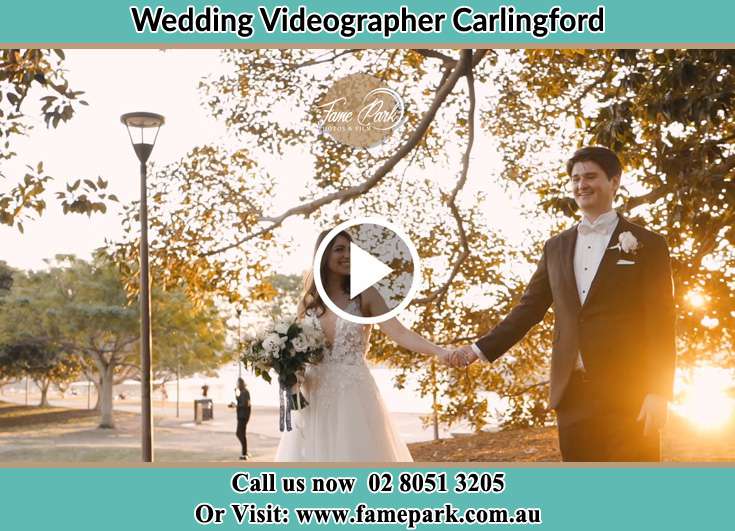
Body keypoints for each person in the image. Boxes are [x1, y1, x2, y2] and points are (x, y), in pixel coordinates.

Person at [451, 146, 676, 462]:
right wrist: (477, 349)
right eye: (575, 178)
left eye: (591, 177)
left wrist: (659, 391)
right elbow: (528, 308)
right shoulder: (555, 247)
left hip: (630, 394)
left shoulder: (649, 244)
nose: (581, 184)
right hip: (572, 396)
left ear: (614, 182)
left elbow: (661, 322)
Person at [275, 229, 451, 462]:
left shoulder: (366, 294)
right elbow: (297, 351)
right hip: (312, 395)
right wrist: (289, 372)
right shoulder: (308, 302)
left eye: (351, 250)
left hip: (353, 396)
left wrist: (440, 351)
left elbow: (398, 331)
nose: (347, 255)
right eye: (339, 249)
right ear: (323, 255)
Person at [228, 378, 251, 460]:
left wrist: (236, 406)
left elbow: (245, 404)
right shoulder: (242, 392)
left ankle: (244, 453)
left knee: (239, 433)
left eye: (237, 383)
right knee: (241, 434)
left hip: (243, 416)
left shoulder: (245, 392)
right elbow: (240, 401)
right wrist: (235, 393)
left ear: (240, 383)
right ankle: (245, 452)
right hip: (241, 416)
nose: (236, 385)